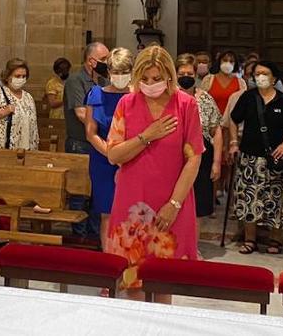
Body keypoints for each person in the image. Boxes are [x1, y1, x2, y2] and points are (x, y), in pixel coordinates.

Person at [105, 46, 203, 298]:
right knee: (132, 281)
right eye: (145, 79)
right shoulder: (127, 104)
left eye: (156, 79)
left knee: (163, 282)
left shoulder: (186, 105)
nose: (150, 84)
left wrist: (174, 204)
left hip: (172, 201)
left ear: (169, 76)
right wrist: (146, 136)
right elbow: (114, 154)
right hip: (132, 202)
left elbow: (193, 160)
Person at [228, 61, 283, 254]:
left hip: (275, 159)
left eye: (265, 73)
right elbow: (233, 120)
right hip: (250, 157)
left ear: (274, 78)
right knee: (249, 197)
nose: (260, 77)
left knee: (276, 198)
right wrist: (234, 142)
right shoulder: (248, 97)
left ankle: (275, 240)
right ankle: (250, 239)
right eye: (257, 73)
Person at [84, 48, 133, 245]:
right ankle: (110, 260)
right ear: (109, 71)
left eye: (124, 72)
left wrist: (124, 156)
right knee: (107, 212)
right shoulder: (96, 94)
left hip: (132, 159)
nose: (119, 77)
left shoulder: (136, 96)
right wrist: (112, 155)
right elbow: (90, 133)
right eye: (116, 72)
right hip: (102, 159)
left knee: (132, 211)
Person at [65, 42, 110, 240]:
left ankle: (93, 234)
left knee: (96, 191)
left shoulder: (101, 82)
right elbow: (81, 112)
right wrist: (106, 126)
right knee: (80, 192)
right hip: (80, 143)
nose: (107, 63)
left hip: (97, 142)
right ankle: (79, 235)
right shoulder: (76, 81)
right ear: (92, 61)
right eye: (104, 60)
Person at [178, 53, 223, 230]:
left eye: (190, 74)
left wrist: (217, 162)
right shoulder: (168, 97)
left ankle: (192, 247)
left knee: (198, 204)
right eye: (182, 74)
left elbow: (216, 130)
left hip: (200, 155)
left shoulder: (205, 99)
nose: (186, 77)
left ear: (196, 74)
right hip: (174, 156)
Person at [0, 58, 39, 150]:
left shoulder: (28, 97)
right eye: (17, 76)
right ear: (7, 76)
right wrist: (4, 112)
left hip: (25, 149)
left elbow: (34, 128)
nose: (21, 79)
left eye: (24, 76)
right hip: (0, 149)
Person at [206, 51, 246, 116]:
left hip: (232, 121)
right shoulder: (208, 79)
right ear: (219, 61)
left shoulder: (241, 82)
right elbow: (201, 102)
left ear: (235, 64)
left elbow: (243, 105)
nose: (228, 63)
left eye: (231, 61)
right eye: (225, 60)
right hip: (211, 121)